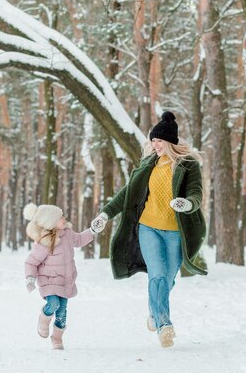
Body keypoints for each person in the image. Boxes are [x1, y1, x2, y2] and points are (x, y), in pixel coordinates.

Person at [90, 111, 207, 348]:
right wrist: (105, 214)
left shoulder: (188, 165)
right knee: (157, 274)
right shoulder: (148, 164)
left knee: (169, 278)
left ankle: (154, 313)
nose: (155, 145)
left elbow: (196, 193)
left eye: (159, 141)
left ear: (170, 142)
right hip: (148, 228)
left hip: (175, 231)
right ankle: (164, 325)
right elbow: (126, 193)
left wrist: (186, 204)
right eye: (153, 141)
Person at [23, 203, 97, 350]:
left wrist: (93, 230)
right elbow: (31, 262)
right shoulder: (45, 241)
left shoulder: (68, 234)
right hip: (49, 282)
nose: (64, 218)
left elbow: (80, 240)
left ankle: (57, 338)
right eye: (60, 217)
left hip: (65, 281)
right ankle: (44, 318)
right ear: (50, 222)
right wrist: (30, 278)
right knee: (54, 304)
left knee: (62, 312)